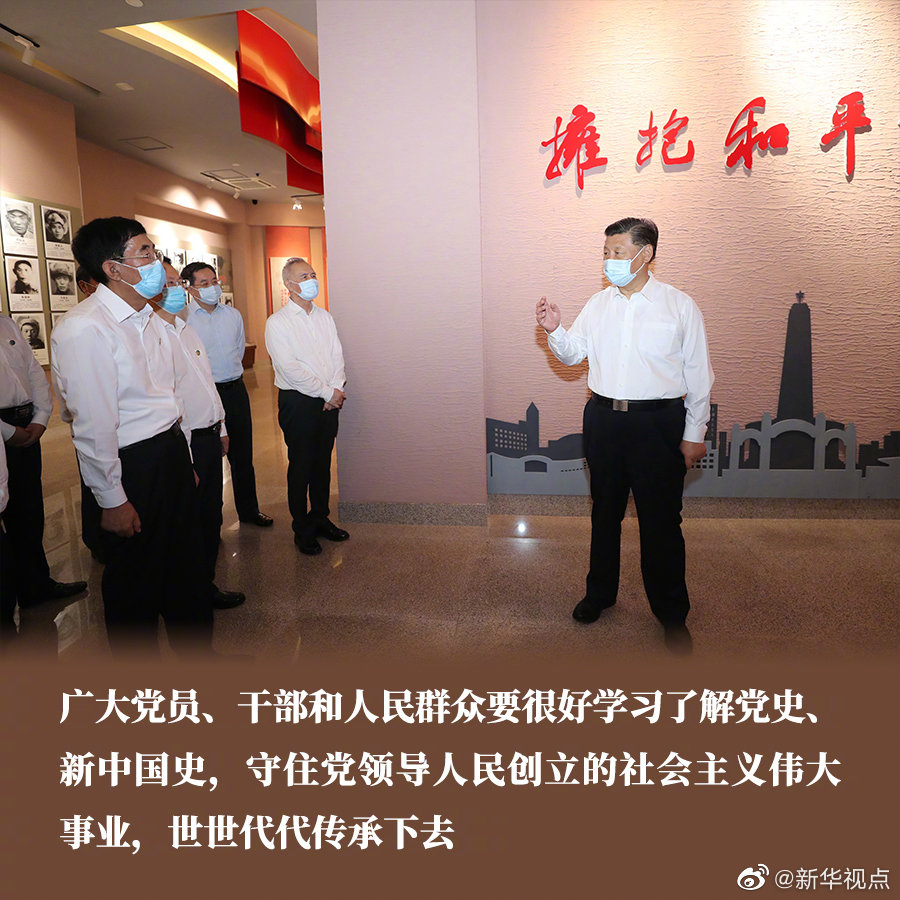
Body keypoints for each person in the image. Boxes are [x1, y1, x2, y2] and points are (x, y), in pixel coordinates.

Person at [535, 217, 714, 652]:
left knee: (661, 523)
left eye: (617, 252)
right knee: (604, 514)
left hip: (658, 424)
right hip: (604, 421)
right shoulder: (598, 304)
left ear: (645, 254)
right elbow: (574, 355)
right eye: (605, 252)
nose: (608, 260)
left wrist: (694, 431)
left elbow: (699, 374)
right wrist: (555, 330)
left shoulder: (679, 306)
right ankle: (599, 595)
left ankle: (671, 614)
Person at [51, 217, 212, 655]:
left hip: (170, 453)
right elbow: (93, 426)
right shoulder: (86, 328)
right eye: (144, 253)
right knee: (136, 583)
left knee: (187, 570)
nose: (156, 261)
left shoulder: (149, 319)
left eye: (153, 251)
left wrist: (185, 462)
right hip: (133, 465)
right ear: (112, 268)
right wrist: (112, 499)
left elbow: (170, 397)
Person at [153, 260, 245, 610]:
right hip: (184, 443)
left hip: (208, 435)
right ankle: (191, 592)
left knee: (210, 515)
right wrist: (186, 457)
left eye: (176, 282)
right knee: (189, 522)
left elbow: (207, 383)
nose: (174, 289)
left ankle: (204, 585)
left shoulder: (185, 330)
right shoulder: (154, 336)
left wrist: (221, 425)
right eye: (168, 283)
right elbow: (170, 401)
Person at [0, 314, 87, 610]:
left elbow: (34, 372)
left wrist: (40, 418)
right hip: (4, 427)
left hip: (26, 424)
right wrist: (7, 432)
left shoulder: (7, 323)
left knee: (28, 511)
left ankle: (35, 586)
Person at [265, 257, 349, 555]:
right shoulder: (278, 323)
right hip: (299, 402)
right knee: (301, 465)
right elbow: (289, 369)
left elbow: (336, 355)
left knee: (322, 463)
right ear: (289, 285)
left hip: (328, 399)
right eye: (304, 276)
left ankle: (321, 517)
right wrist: (327, 393)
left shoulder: (324, 317)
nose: (312, 279)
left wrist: (335, 390)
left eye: (313, 274)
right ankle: (302, 528)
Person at [185, 262, 273, 528]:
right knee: (208, 460)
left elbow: (238, 349)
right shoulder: (184, 319)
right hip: (205, 395)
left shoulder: (233, 315)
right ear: (190, 289)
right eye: (204, 283)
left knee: (242, 455)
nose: (212, 287)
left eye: (214, 281)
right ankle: (209, 522)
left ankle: (249, 511)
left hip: (235, 390)